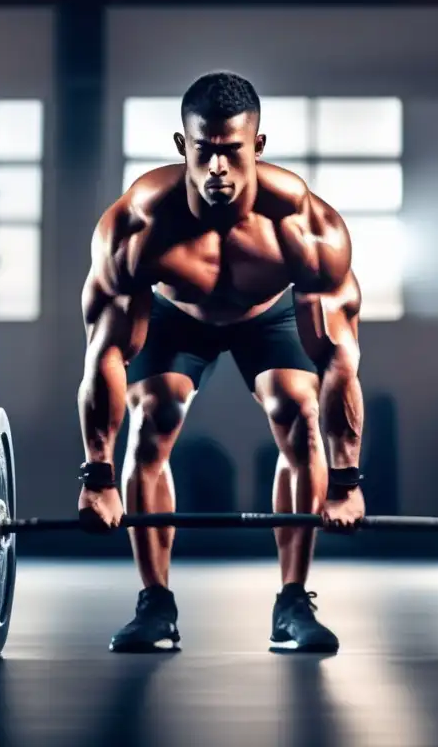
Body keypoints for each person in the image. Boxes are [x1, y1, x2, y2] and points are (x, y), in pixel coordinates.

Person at [77, 71, 366, 654]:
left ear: (257, 145)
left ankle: (293, 600)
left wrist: (346, 481)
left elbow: (338, 357)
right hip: (176, 314)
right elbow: (105, 351)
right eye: (204, 151)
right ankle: (155, 601)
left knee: (298, 410)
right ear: (183, 145)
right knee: (152, 415)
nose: (217, 169)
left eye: (231, 151)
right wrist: (97, 477)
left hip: (268, 314)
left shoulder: (306, 228)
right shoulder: (137, 226)